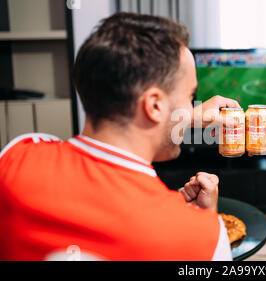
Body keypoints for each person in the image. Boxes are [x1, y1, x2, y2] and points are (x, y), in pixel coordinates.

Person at [0, 13, 240, 261]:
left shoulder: (16, 155)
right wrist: (202, 221)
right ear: (154, 105)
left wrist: (182, 116)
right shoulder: (203, 236)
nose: (192, 108)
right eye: (190, 98)